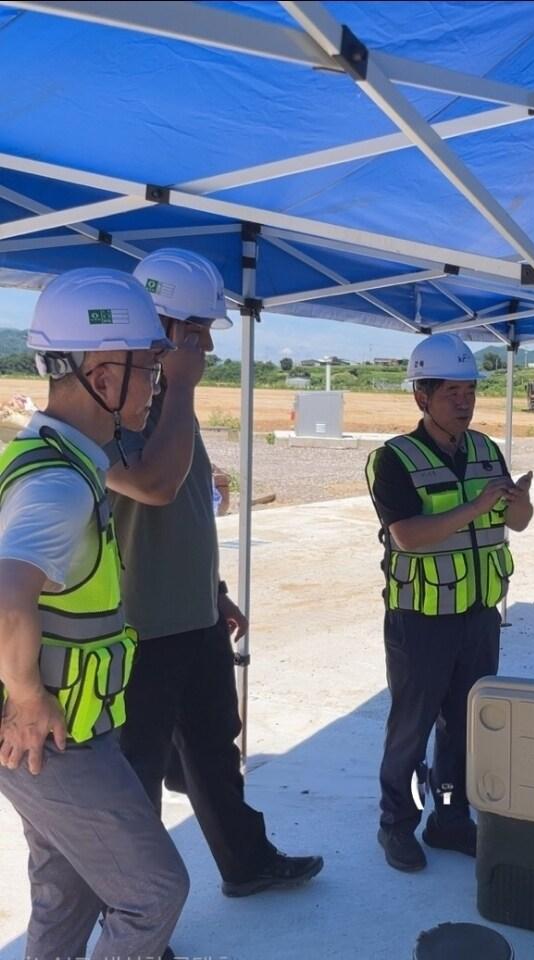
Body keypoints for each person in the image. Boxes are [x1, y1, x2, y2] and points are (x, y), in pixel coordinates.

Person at [107, 248, 323, 897]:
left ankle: (247, 862)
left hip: (193, 618)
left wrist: (216, 592)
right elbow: (156, 486)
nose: (204, 348)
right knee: (135, 776)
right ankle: (135, 917)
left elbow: (188, 516)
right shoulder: (114, 404)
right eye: (196, 333)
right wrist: (183, 386)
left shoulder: (174, 405)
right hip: (135, 630)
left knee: (213, 753)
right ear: (161, 327)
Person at [0, 268, 188, 960]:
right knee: (154, 891)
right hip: (57, 740)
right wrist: (25, 698)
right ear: (104, 375)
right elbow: (5, 593)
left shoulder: (66, 459)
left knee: (67, 889)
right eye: (148, 370)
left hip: (62, 734)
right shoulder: (57, 481)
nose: (154, 386)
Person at [365, 333, 534, 872]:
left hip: (479, 615)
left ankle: (449, 819)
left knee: (465, 727)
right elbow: (408, 536)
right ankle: (396, 825)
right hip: (421, 621)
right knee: (411, 728)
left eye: (470, 391)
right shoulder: (393, 459)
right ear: (422, 397)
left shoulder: (486, 450)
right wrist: (477, 504)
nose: (464, 402)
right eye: (451, 393)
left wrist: (519, 503)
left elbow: (517, 522)